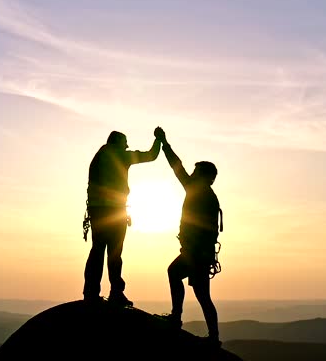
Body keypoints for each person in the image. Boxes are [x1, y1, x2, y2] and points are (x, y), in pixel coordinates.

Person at [155, 127, 222, 347]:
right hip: (199, 252)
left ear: (204, 177)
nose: (191, 175)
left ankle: (179, 319)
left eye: (196, 172)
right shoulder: (208, 196)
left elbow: (177, 168)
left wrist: (164, 142)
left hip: (196, 253)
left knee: (182, 279)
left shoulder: (198, 191)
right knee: (199, 292)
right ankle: (211, 336)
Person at [83, 128, 161, 307]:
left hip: (97, 211)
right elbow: (151, 155)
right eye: (125, 145)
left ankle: (91, 292)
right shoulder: (120, 155)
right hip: (114, 211)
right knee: (115, 253)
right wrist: (158, 139)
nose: (126, 149)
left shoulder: (99, 156)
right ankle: (116, 292)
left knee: (97, 251)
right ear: (119, 143)